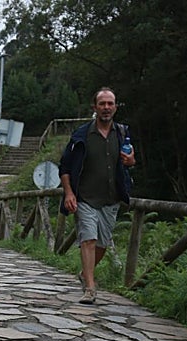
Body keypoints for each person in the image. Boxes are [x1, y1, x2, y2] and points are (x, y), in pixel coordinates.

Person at [58, 88, 135, 304]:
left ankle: (85, 274)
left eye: (110, 103)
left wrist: (130, 162)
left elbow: (130, 160)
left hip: (111, 199)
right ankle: (90, 288)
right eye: (102, 104)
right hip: (85, 198)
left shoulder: (121, 133)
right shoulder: (81, 135)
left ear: (115, 107)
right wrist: (69, 193)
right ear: (95, 107)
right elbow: (64, 166)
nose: (106, 108)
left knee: (102, 244)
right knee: (88, 238)